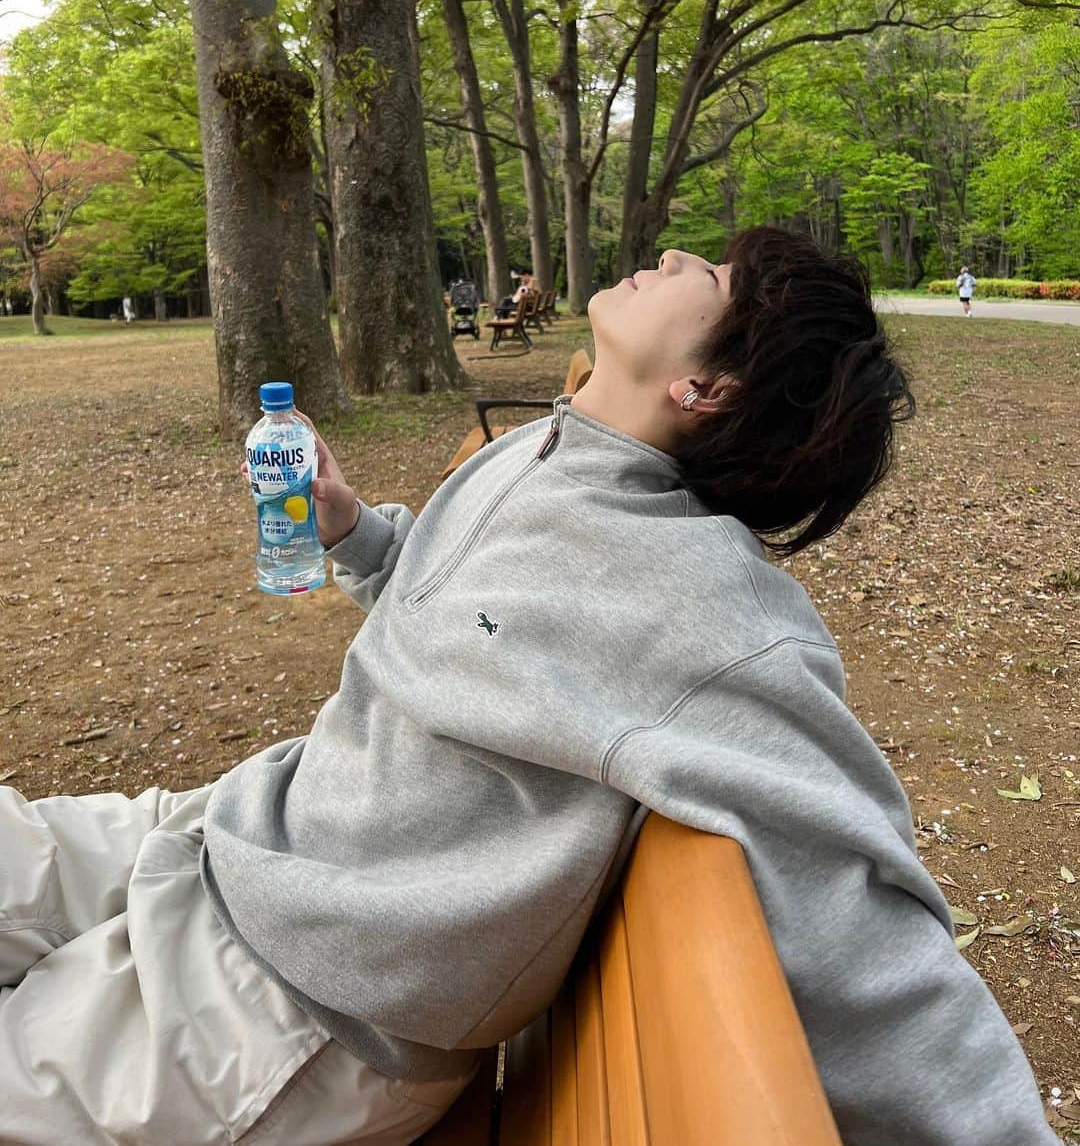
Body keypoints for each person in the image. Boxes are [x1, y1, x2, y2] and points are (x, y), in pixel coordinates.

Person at [0, 228, 1061, 1145]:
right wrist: (356, 532)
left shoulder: (705, 615)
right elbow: (479, 614)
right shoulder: (552, 444)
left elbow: (862, 916)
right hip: (222, 840)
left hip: (289, 1006)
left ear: (709, 386)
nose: (682, 255)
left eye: (720, 278)